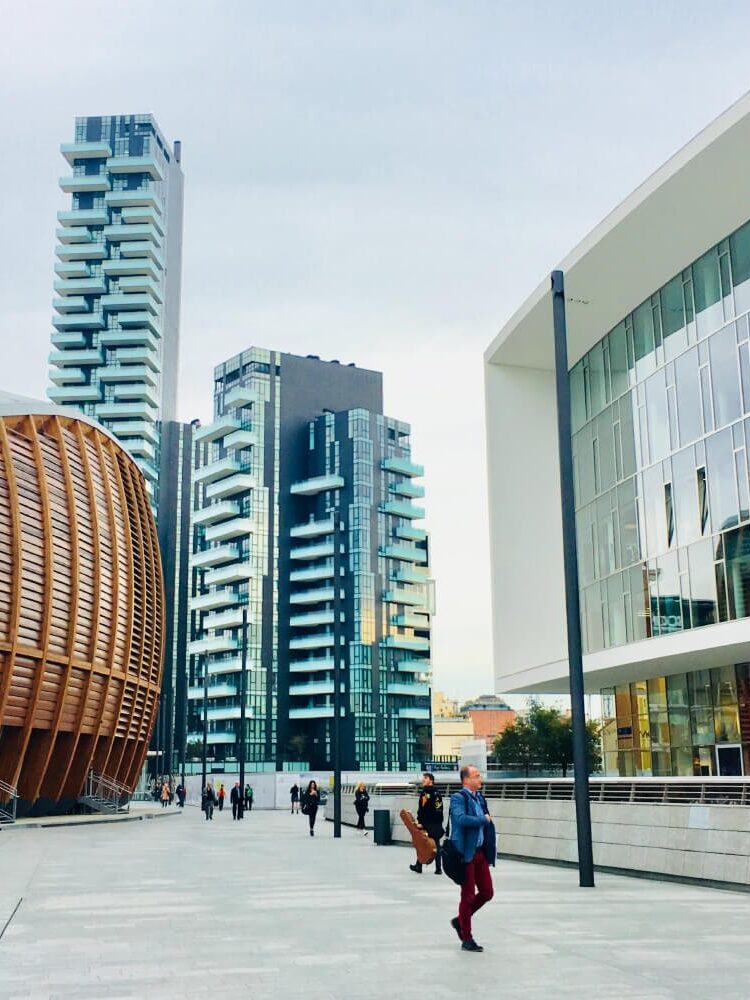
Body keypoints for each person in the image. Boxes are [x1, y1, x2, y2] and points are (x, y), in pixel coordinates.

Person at [449, 765, 496, 953]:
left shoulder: (480, 798)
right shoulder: (458, 798)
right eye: (476, 776)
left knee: (487, 892)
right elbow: (461, 819)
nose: (480, 779)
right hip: (466, 854)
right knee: (467, 896)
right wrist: (483, 819)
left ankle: (460, 920)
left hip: (480, 853)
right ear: (466, 780)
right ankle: (467, 938)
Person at [409, 772, 444, 874]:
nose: (423, 779)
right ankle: (436, 868)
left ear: (431, 780)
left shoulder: (433, 793)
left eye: (426, 778)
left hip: (430, 823)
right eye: (423, 778)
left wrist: (424, 823)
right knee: (431, 844)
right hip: (432, 823)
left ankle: (421, 866)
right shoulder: (429, 792)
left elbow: (436, 810)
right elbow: (425, 809)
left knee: (425, 843)